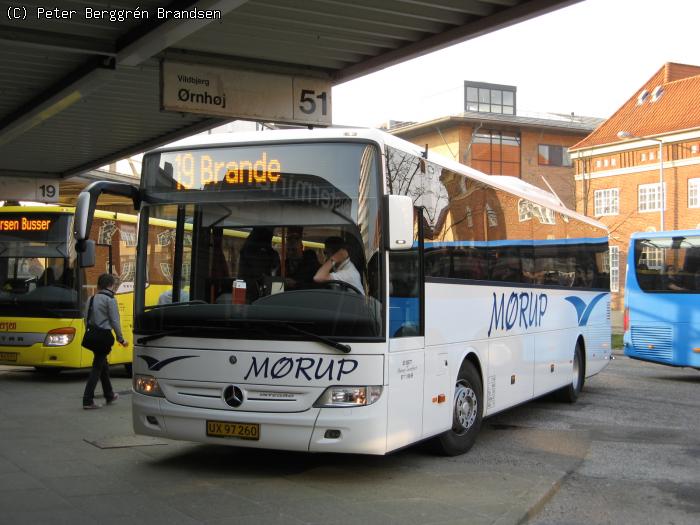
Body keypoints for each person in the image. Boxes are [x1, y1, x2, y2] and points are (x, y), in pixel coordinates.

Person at [82, 273, 128, 409]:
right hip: (104, 337)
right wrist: (121, 339)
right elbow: (115, 321)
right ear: (111, 285)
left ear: (98, 285)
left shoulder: (91, 298)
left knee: (103, 365)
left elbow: (86, 318)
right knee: (97, 367)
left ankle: (109, 394)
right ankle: (87, 400)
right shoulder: (110, 300)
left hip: (92, 335)